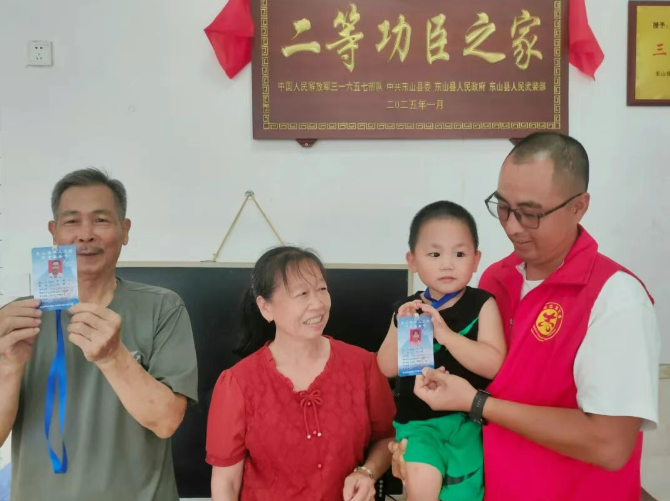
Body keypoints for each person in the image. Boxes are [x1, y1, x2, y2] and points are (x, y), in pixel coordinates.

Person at [391, 133, 660, 501]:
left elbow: (609, 444)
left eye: (530, 213)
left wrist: (476, 403)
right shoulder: (494, 280)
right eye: (503, 207)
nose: (513, 226)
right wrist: (418, 451)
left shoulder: (616, 297)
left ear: (578, 207)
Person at [0, 168, 198, 501]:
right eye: (72, 221)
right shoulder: (17, 321)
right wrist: (9, 367)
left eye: (101, 220)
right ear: (53, 232)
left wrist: (113, 356)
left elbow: (166, 421)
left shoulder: (162, 307)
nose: (85, 235)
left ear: (125, 230)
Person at [206, 246, 396, 501]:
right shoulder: (238, 383)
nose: (317, 304)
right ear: (265, 307)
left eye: (322, 289)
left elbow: (387, 438)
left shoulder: (364, 366)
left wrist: (367, 472)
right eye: (301, 294)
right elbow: (226, 481)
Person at [377, 202, 506, 501]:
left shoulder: (483, 304)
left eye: (459, 254)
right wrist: (400, 325)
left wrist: (444, 334)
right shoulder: (407, 308)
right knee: (421, 486)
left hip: (469, 425)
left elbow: (493, 365)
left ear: (476, 260)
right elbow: (386, 367)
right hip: (418, 424)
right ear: (412, 261)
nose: (447, 264)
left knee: (464, 495)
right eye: (435, 254)